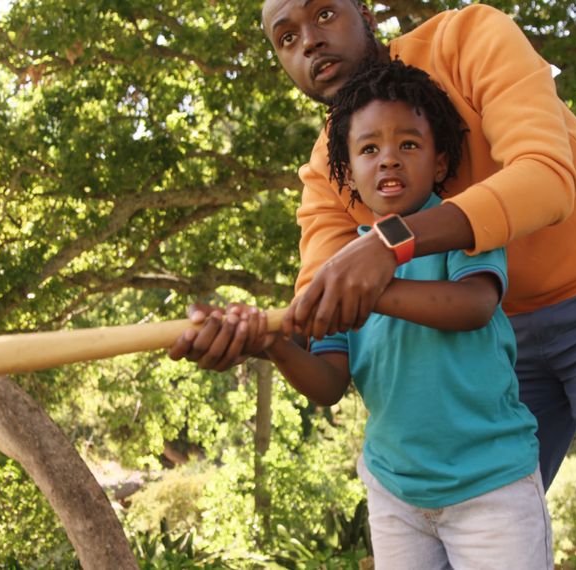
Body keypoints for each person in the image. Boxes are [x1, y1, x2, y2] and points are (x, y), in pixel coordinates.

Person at [171, 1, 576, 567]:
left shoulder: (468, 38)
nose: (308, 42)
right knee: (468, 521)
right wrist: (251, 337)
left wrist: (389, 244)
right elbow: (320, 312)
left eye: (324, 14)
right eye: (286, 38)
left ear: (367, 16)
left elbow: (546, 178)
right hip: (496, 334)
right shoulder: (331, 173)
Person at [236, 59, 552, 568]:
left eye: (408, 144)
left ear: (441, 161)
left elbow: (474, 306)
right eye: (368, 149)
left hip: (491, 487)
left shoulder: (461, 228)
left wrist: (371, 288)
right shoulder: (338, 269)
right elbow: (328, 384)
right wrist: (270, 345)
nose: (388, 160)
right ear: (348, 173)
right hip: (395, 493)